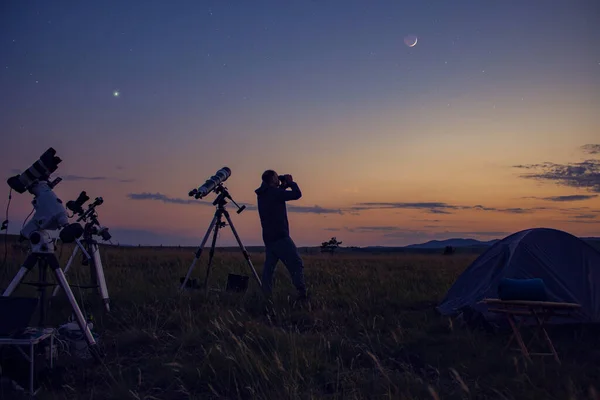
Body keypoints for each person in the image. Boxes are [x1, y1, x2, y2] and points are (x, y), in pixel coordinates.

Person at [255, 170, 308, 302]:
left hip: (268, 238)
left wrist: (282, 186)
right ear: (272, 179)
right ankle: (302, 294)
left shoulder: (262, 194)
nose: (278, 179)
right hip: (280, 236)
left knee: (269, 269)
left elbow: (276, 195)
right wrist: (291, 183)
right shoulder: (274, 193)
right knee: (296, 263)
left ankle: (266, 296)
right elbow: (297, 194)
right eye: (276, 177)